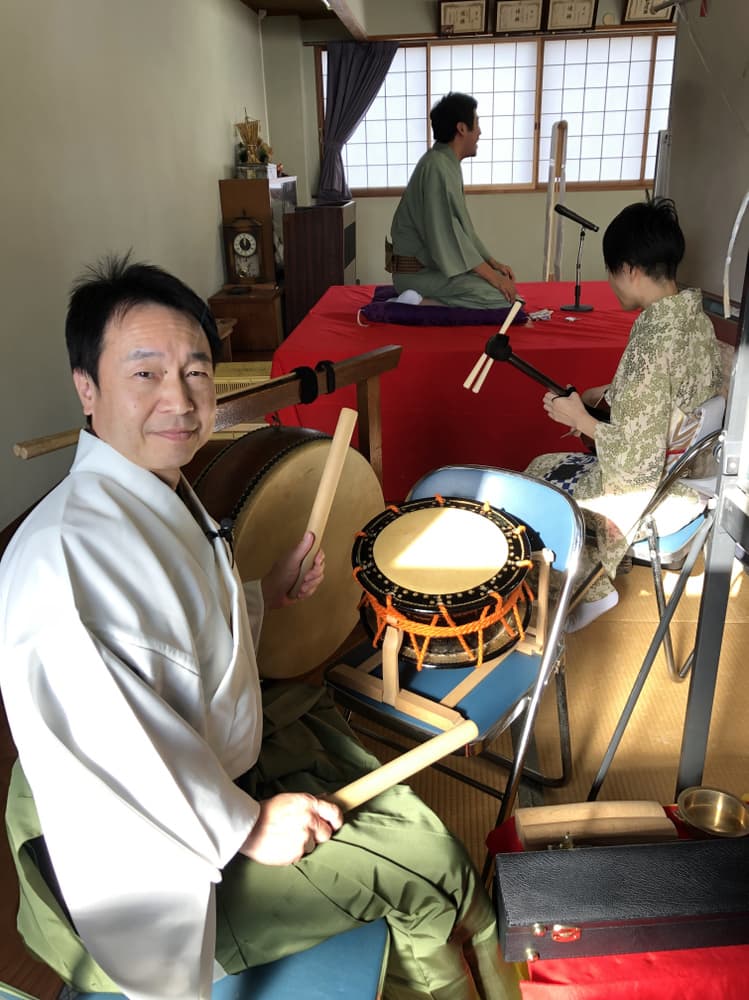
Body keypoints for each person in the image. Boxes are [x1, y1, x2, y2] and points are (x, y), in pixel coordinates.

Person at [0, 255, 518, 1000]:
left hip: (216, 771)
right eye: (146, 373)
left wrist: (260, 595)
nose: (180, 399)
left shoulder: (148, 491)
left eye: (196, 371)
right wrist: (245, 826)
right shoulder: (66, 561)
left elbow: (171, 635)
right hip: (164, 862)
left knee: (397, 809)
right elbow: (116, 755)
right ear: (87, 388)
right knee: (430, 866)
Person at [526, 198, 723, 632]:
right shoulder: (694, 319)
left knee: (537, 478)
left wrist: (580, 418)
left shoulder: (651, 341)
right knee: (552, 463)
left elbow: (635, 463)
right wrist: (605, 394)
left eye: (611, 270)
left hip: (654, 488)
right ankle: (593, 577)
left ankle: (590, 589)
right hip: (693, 472)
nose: (610, 281)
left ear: (630, 269)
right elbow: (671, 391)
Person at [388, 92, 518, 308]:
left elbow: (464, 231)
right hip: (418, 274)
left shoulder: (445, 163)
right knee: (502, 299)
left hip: (433, 269)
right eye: (477, 123)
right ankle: (417, 302)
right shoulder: (436, 166)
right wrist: (493, 278)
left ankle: (423, 300)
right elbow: (448, 234)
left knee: (504, 288)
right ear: (462, 128)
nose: (480, 132)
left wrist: (492, 264)